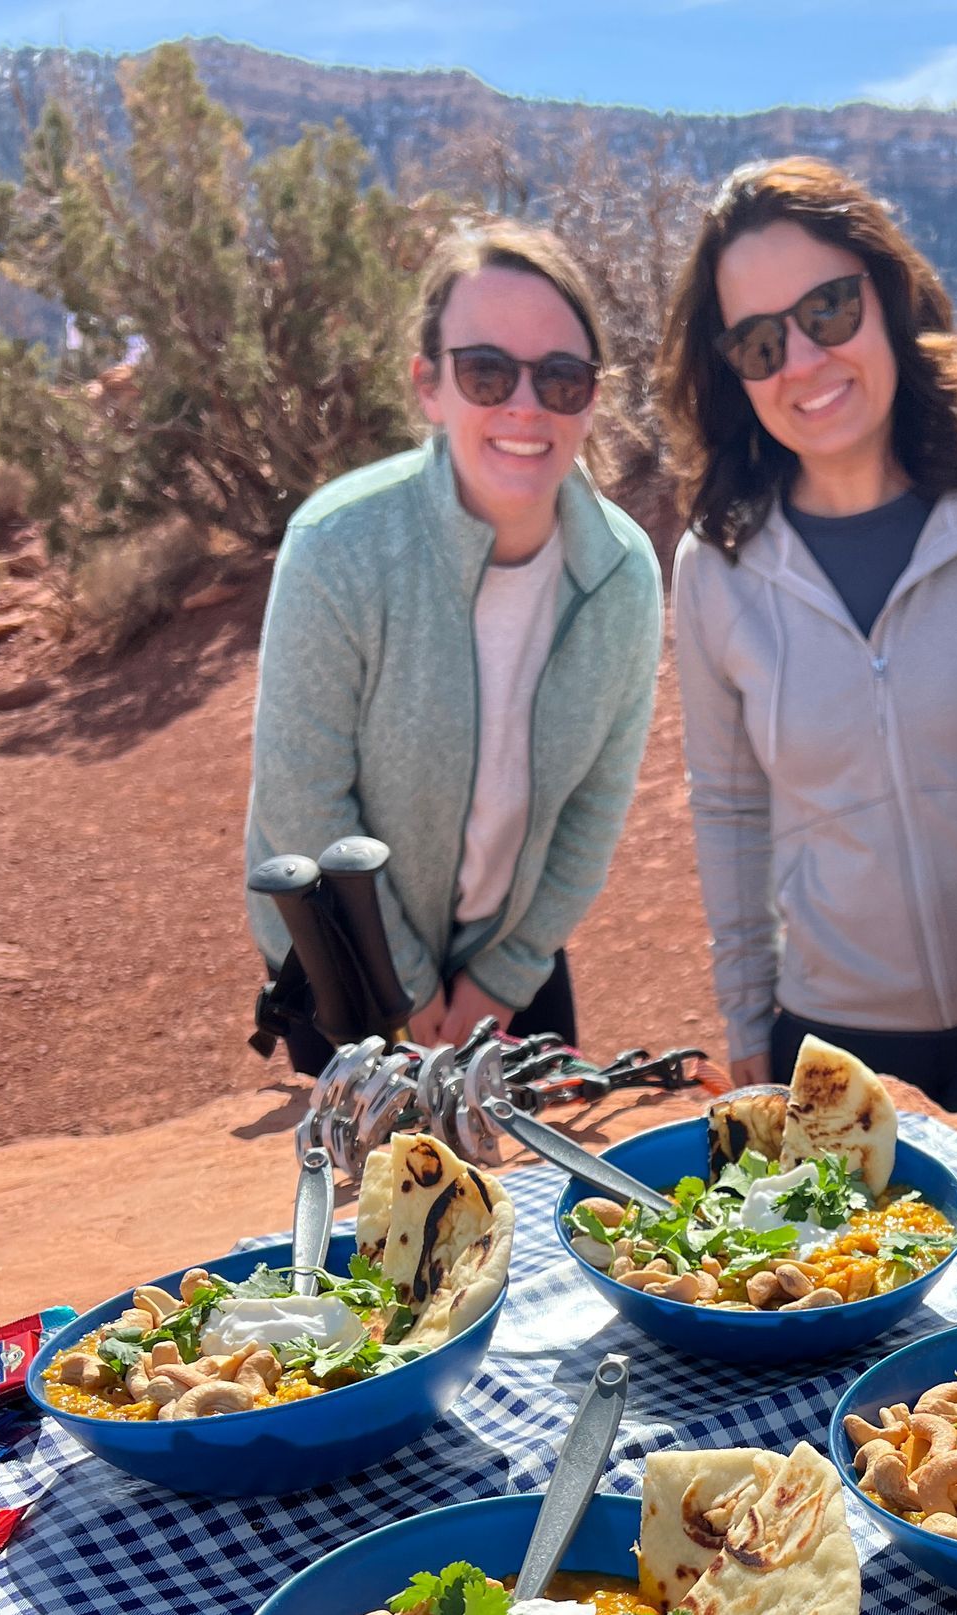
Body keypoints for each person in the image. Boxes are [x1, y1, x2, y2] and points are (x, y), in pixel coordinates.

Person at [662, 158, 957, 1112]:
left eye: (829, 311)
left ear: (887, 298)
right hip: (832, 1050)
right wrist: (746, 1034)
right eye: (760, 343)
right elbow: (729, 809)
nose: (803, 362)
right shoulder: (717, 567)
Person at [245, 220, 663, 1057]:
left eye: (561, 378)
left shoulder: (624, 576)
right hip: (344, 962)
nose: (524, 404)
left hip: (508, 966)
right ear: (429, 387)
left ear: (592, 396)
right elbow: (305, 801)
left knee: (541, 1191)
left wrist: (500, 983)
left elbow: (593, 812)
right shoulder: (339, 547)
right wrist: (407, 992)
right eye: (485, 371)